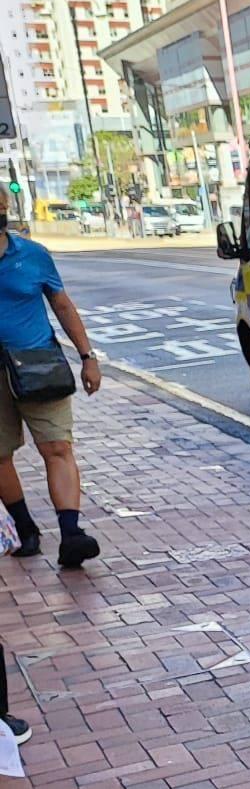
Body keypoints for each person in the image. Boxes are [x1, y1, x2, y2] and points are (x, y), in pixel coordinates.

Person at [0, 211, 103, 568]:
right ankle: (25, 527)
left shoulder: (33, 255)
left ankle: (71, 533)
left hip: (39, 364)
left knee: (58, 447)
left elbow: (62, 305)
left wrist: (88, 356)